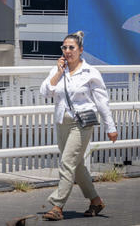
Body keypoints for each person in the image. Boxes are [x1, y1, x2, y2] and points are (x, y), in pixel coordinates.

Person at [39, 31, 118, 220]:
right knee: (77, 165)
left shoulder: (90, 72)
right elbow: (45, 92)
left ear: (80, 50)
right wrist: (58, 72)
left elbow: (101, 101)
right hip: (62, 122)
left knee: (67, 163)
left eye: (71, 47)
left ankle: (57, 206)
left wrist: (110, 127)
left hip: (81, 123)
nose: (67, 51)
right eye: (64, 47)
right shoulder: (58, 70)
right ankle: (96, 201)